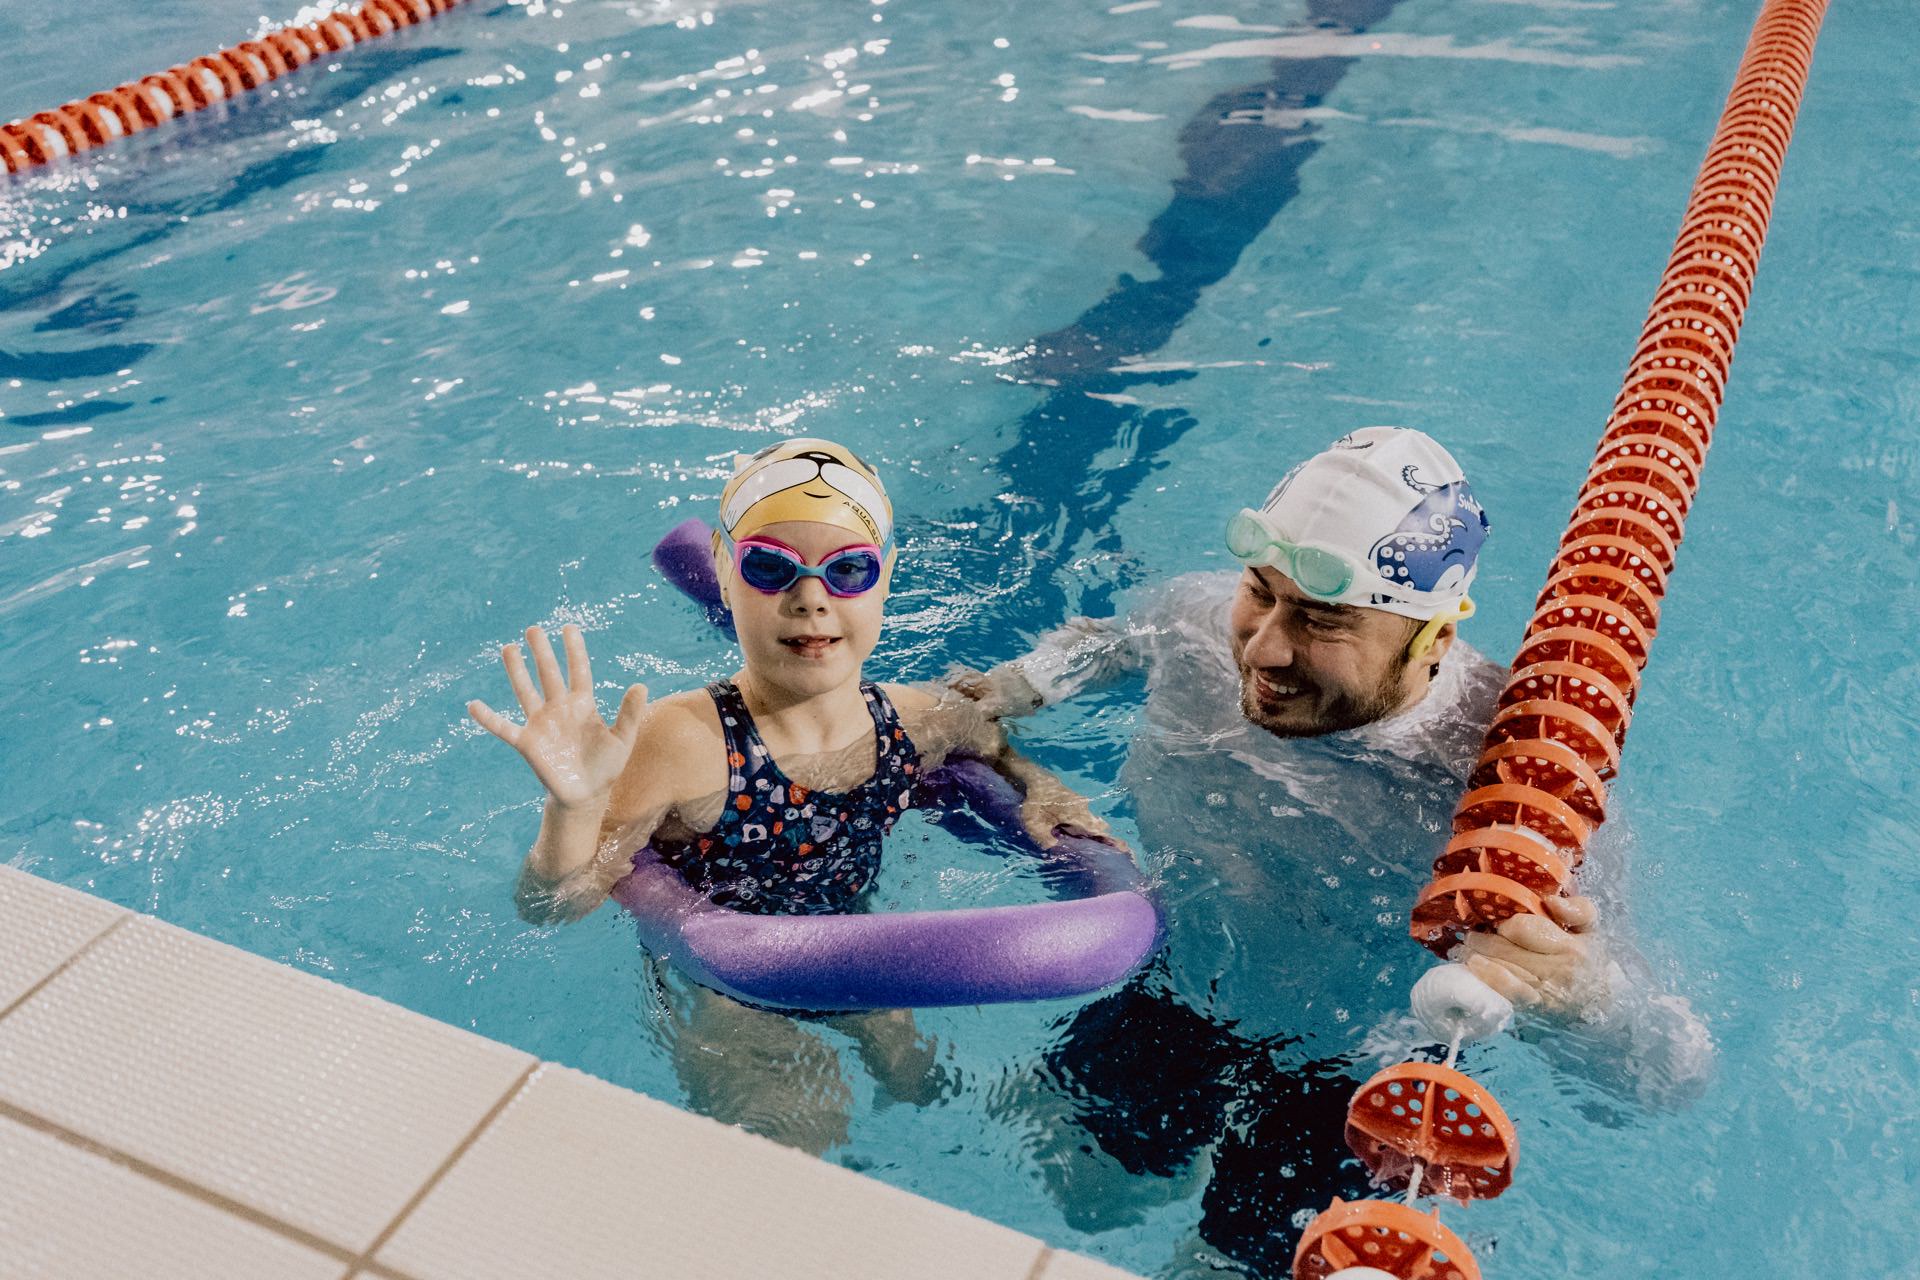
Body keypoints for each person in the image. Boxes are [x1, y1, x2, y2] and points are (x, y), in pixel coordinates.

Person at [958, 427, 1711, 1276]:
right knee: (1080, 1195)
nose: (1263, 648)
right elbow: (1112, 641)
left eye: (1323, 620)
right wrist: (1001, 695)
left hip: (1353, 1077)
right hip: (1178, 988)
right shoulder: (1198, 619)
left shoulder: (1513, 797)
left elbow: (1668, 1081)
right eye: (1261, 593)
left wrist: (1589, 1001)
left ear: (1431, 638)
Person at [468, 437, 1112, 1154]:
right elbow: (553, 906)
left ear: (886, 578)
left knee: (925, 1085)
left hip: (850, 944)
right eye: (771, 568)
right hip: (725, 983)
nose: (811, 598)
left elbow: (992, 744)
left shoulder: (920, 718)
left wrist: (1040, 788)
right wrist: (575, 806)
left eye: (848, 571)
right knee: (796, 1137)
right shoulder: (681, 742)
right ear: (721, 568)